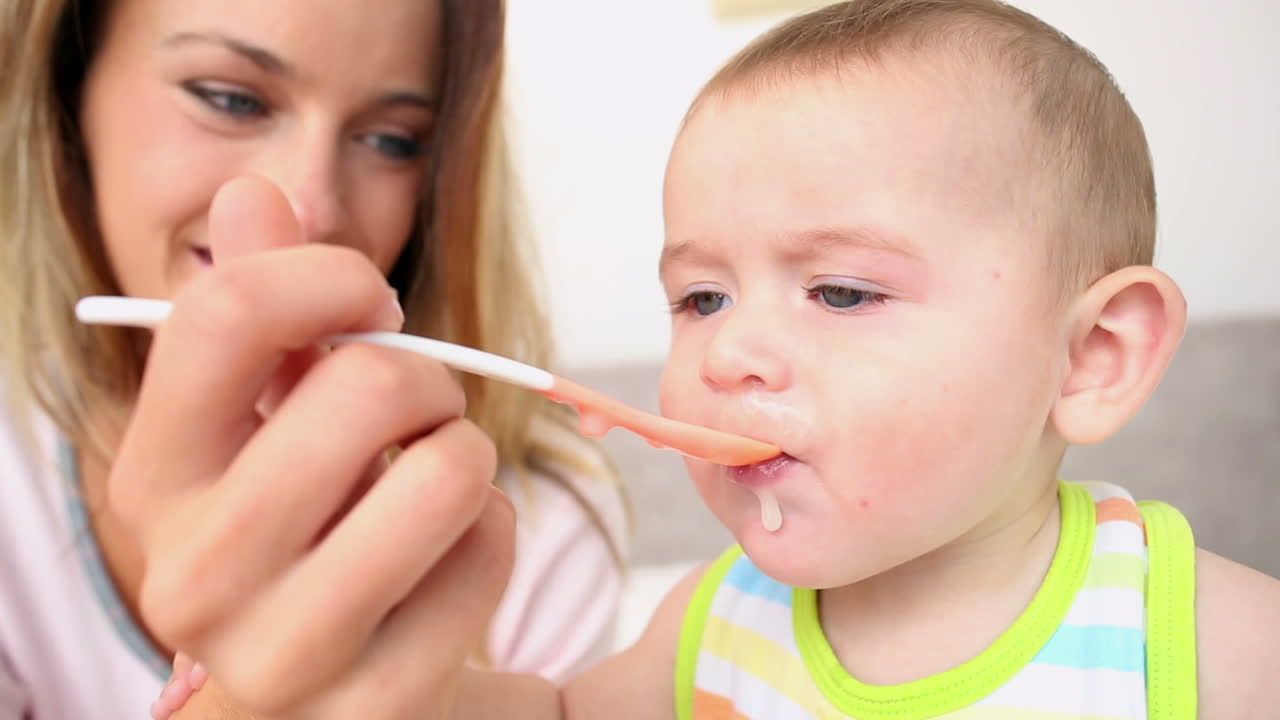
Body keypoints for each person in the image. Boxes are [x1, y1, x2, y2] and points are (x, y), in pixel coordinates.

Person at [324, 0, 1274, 717]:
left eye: (842, 292)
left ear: (1093, 359)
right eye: (702, 299)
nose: (729, 350)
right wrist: (351, 683)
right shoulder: (712, 622)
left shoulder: (1197, 639)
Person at [0, 1, 628, 718]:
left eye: (393, 141)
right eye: (230, 99)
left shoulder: (542, 521)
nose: (308, 211)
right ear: (65, 92)